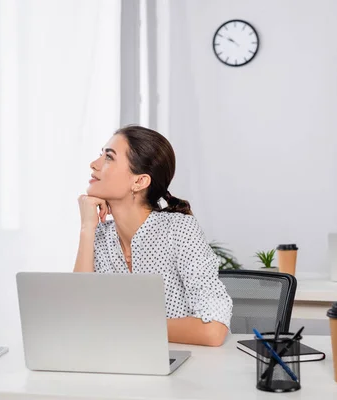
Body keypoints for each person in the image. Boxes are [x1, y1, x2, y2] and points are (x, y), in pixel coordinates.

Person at [73, 125, 233, 347]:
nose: (94, 164)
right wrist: (86, 228)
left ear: (139, 181)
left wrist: (125, 325)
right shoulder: (99, 235)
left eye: (109, 157)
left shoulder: (179, 229)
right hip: (120, 364)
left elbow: (213, 330)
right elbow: (77, 319)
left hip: (184, 368)